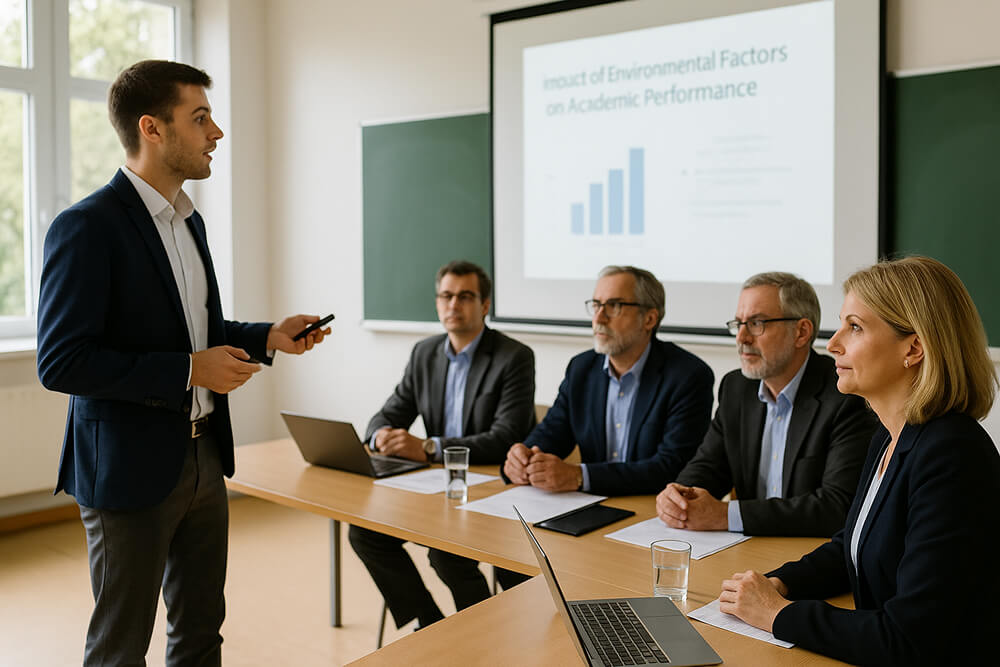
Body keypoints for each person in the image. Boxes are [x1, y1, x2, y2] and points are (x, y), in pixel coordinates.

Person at [35, 60, 330, 666]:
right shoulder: (86, 227)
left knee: (200, 636)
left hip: (203, 458)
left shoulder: (189, 223)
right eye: (200, 119)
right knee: (120, 649)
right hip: (127, 470)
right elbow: (62, 361)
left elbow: (196, 333)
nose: (216, 132)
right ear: (152, 128)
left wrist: (268, 337)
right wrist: (189, 372)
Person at [718, 256, 999, 666]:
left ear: (913, 348)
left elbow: (908, 639)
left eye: (855, 327)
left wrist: (778, 615)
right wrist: (781, 583)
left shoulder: (952, 455)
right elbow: (855, 545)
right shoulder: (890, 435)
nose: (833, 344)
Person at [348, 260, 536, 630]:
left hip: (491, 490)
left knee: (447, 554)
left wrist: (429, 448)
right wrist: (380, 434)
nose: (453, 304)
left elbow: (504, 438)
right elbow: (387, 414)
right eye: (446, 296)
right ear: (437, 302)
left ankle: (482, 633)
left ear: (484, 305)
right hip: (436, 492)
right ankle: (430, 625)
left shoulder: (514, 357)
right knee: (364, 533)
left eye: (465, 296)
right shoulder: (425, 353)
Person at [656, 272, 877, 536]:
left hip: (811, 549)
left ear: (801, 332)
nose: (742, 338)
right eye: (739, 324)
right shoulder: (736, 388)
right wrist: (679, 495)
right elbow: (709, 466)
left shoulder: (845, 395)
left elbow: (837, 507)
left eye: (757, 323)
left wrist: (725, 515)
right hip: (747, 547)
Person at [502, 265, 713, 495]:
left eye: (614, 306)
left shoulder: (688, 376)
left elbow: (671, 467)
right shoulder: (581, 368)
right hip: (590, 505)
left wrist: (580, 476)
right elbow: (552, 433)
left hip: (652, 508)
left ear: (649, 319)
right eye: (596, 305)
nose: (598, 318)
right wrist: (523, 458)